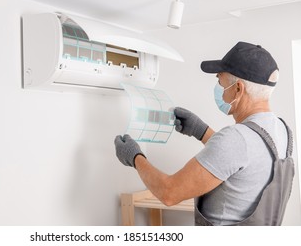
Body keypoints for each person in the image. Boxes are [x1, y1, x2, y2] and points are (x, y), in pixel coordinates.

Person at [114, 41, 295, 226]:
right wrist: (201, 131)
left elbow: (169, 193)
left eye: (219, 80)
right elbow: (243, 159)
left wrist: (135, 157)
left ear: (238, 89)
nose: (218, 87)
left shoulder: (235, 139)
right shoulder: (282, 131)